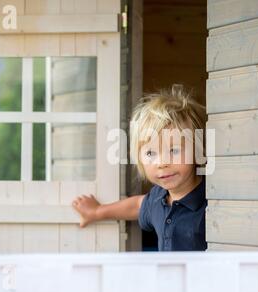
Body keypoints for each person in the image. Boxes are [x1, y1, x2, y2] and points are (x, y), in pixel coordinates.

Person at [72, 84, 207, 251]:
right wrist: (97, 211)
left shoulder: (211, 202)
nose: (162, 163)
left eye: (174, 150)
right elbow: (136, 205)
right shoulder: (158, 198)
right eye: (151, 153)